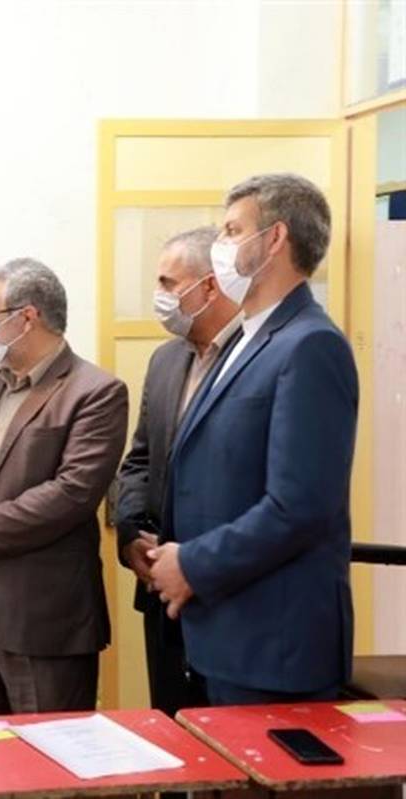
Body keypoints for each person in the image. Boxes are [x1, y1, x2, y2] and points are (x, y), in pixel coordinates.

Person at [149, 174, 359, 705]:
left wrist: (192, 564)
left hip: (273, 644)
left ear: (275, 238)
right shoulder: (246, 339)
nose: (220, 245)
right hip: (220, 631)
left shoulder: (311, 345)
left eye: (231, 230)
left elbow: (299, 506)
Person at [0, 258, 127, 714]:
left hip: (43, 615)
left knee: (49, 749)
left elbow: (71, 493)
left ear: (27, 317)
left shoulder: (95, 391)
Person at [113, 227, 240, 720]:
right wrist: (131, 535)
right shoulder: (166, 360)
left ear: (210, 286)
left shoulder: (255, 356)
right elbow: (140, 459)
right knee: (171, 731)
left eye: (168, 283)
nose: (158, 296)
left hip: (227, 592)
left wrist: (197, 561)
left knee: (228, 740)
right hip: (160, 592)